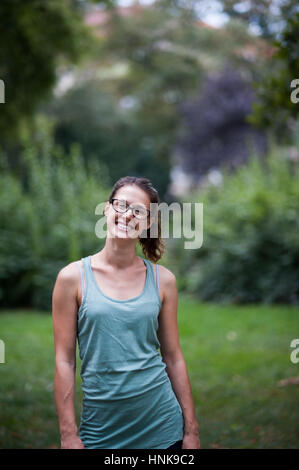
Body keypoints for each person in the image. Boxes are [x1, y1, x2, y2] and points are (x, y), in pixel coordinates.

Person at [52, 176, 201, 449]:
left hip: (163, 428)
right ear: (107, 209)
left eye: (138, 211)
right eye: (121, 205)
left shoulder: (163, 280)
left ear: (146, 223)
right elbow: (64, 361)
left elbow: (173, 356)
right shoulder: (72, 278)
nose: (127, 215)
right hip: (101, 433)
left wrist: (191, 431)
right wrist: (68, 435)